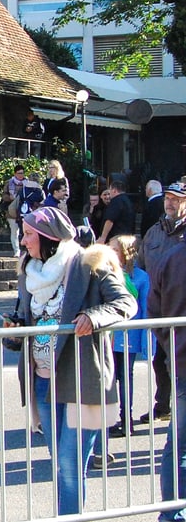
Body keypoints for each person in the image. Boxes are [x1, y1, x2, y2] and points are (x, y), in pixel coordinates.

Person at [9, 206, 134, 516]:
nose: (23, 242)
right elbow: (26, 318)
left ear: (49, 238)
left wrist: (94, 316)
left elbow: (125, 303)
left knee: (69, 462)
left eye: (28, 235)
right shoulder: (29, 270)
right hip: (43, 381)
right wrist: (13, 330)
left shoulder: (88, 263)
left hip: (81, 379)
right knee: (62, 464)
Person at [139, 180, 186, 424]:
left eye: (177, 199)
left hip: (181, 308)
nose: (170, 202)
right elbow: (140, 264)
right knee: (160, 362)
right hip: (159, 307)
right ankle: (163, 405)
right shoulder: (154, 231)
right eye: (168, 198)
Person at [149, 225, 186, 521]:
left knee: (178, 445)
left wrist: (171, 345)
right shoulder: (172, 258)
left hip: (181, 359)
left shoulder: (170, 258)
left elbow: (155, 313)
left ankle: (172, 513)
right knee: (179, 446)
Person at [105, 235, 150, 439]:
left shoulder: (140, 277)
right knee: (108, 379)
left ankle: (126, 420)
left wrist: (146, 340)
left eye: (114, 249)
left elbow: (146, 309)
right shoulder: (106, 273)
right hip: (109, 335)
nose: (109, 252)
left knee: (125, 378)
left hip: (127, 335)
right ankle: (110, 418)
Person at [98, 177, 135, 243]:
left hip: (115, 239)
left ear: (114, 190)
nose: (109, 194)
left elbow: (110, 220)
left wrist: (103, 237)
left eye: (110, 190)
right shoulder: (129, 201)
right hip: (127, 238)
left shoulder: (116, 201)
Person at [5, 165, 27, 255]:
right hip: (12, 210)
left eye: (22, 173)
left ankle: (25, 250)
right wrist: (9, 197)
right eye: (19, 173)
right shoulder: (9, 183)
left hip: (24, 210)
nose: (21, 175)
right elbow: (4, 196)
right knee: (14, 231)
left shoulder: (27, 183)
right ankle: (16, 251)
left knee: (25, 231)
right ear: (15, 173)